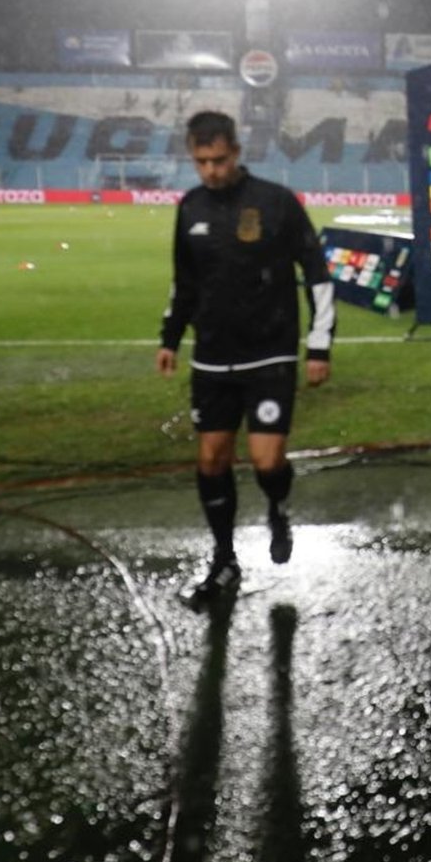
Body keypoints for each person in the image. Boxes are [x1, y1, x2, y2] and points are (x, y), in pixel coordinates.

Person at [158, 110, 335, 606]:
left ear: (236, 152)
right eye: (201, 162)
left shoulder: (276, 203)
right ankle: (223, 560)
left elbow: (317, 273)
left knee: (266, 460)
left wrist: (319, 346)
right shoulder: (190, 207)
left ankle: (277, 506)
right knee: (211, 459)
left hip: (269, 354)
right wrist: (169, 338)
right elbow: (184, 282)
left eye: (218, 159)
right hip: (212, 359)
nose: (210, 170)